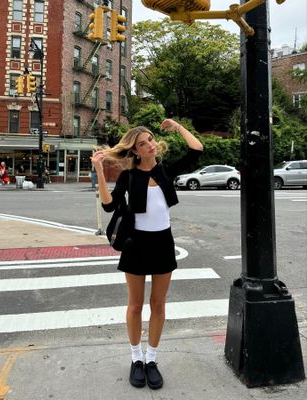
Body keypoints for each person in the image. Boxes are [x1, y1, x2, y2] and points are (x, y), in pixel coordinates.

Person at [91, 119, 203, 390]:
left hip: (163, 243)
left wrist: (177, 127)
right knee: (135, 305)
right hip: (136, 244)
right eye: (143, 143)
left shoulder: (165, 171)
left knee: (159, 305)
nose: (151, 145)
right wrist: (99, 171)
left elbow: (197, 149)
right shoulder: (129, 177)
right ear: (135, 151)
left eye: (151, 139)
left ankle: (151, 360)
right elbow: (109, 206)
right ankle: (135, 359)